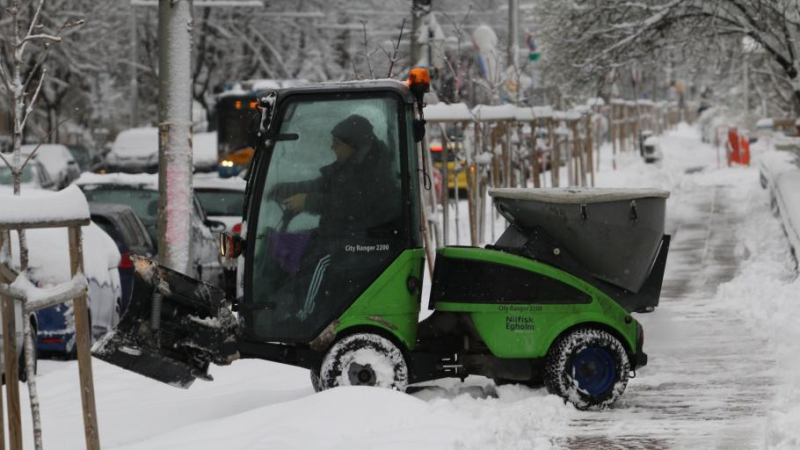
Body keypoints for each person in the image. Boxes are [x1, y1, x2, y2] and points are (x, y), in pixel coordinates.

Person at [266, 114, 400, 323]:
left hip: (365, 242)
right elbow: (321, 185)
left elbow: (353, 204)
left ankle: (304, 318)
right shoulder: (352, 166)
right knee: (298, 247)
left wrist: (309, 202)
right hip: (344, 236)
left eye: (337, 143)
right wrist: (284, 189)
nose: (332, 147)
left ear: (354, 145)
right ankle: (284, 308)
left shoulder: (376, 172)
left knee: (319, 263)